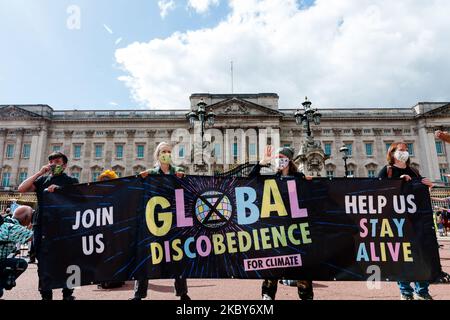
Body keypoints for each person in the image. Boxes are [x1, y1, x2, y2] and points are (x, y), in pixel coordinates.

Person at [249, 145, 314, 301]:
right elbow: (251, 179)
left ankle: (306, 295)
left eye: (282, 158)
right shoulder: (271, 178)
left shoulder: (299, 178)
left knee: (301, 265)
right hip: (276, 229)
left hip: (296, 230)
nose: (278, 161)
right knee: (273, 264)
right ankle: (267, 295)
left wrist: (309, 181)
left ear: (289, 160)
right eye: (276, 158)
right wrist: (261, 163)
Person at [131, 142, 190, 301]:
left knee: (177, 255)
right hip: (154, 220)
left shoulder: (178, 172)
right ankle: (139, 293)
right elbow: (136, 191)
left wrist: (183, 178)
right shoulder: (150, 173)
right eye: (164, 151)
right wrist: (140, 179)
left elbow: (188, 189)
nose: (167, 154)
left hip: (174, 219)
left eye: (169, 151)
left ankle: (183, 293)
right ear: (158, 155)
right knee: (146, 255)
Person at [18, 152, 79, 300]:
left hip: (63, 225)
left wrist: (60, 190)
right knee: (43, 261)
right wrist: (39, 172)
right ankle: (45, 293)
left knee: (67, 259)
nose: (53, 164)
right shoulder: (42, 180)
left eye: (57, 161)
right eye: (51, 161)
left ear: (64, 165)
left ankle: (68, 293)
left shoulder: (71, 180)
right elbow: (21, 188)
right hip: (42, 225)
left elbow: (79, 200)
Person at [378, 142, 434, 300]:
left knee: (421, 254)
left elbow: (420, 195)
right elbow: (376, 192)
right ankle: (405, 291)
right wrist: (397, 182)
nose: (405, 152)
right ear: (393, 152)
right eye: (401, 150)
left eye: (406, 150)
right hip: (397, 221)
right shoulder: (387, 171)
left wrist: (428, 186)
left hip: (417, 220)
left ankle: (422, 290)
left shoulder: (414, 171)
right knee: (403, 256)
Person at [97, 170, 126, 290]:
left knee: (115, 253)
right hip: (103, 229)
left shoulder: (118, 196)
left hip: (116, 229)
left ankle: (117, 279)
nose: (105, 183)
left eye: (107, 181)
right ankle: (105, 278)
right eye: (103, 181)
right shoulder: (99, 196)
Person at [0, 205, 34, 298]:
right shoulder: (13, 228)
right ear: (27, 218)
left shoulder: (6, 223)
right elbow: (35, 237)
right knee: (21, 263)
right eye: (32, 216)